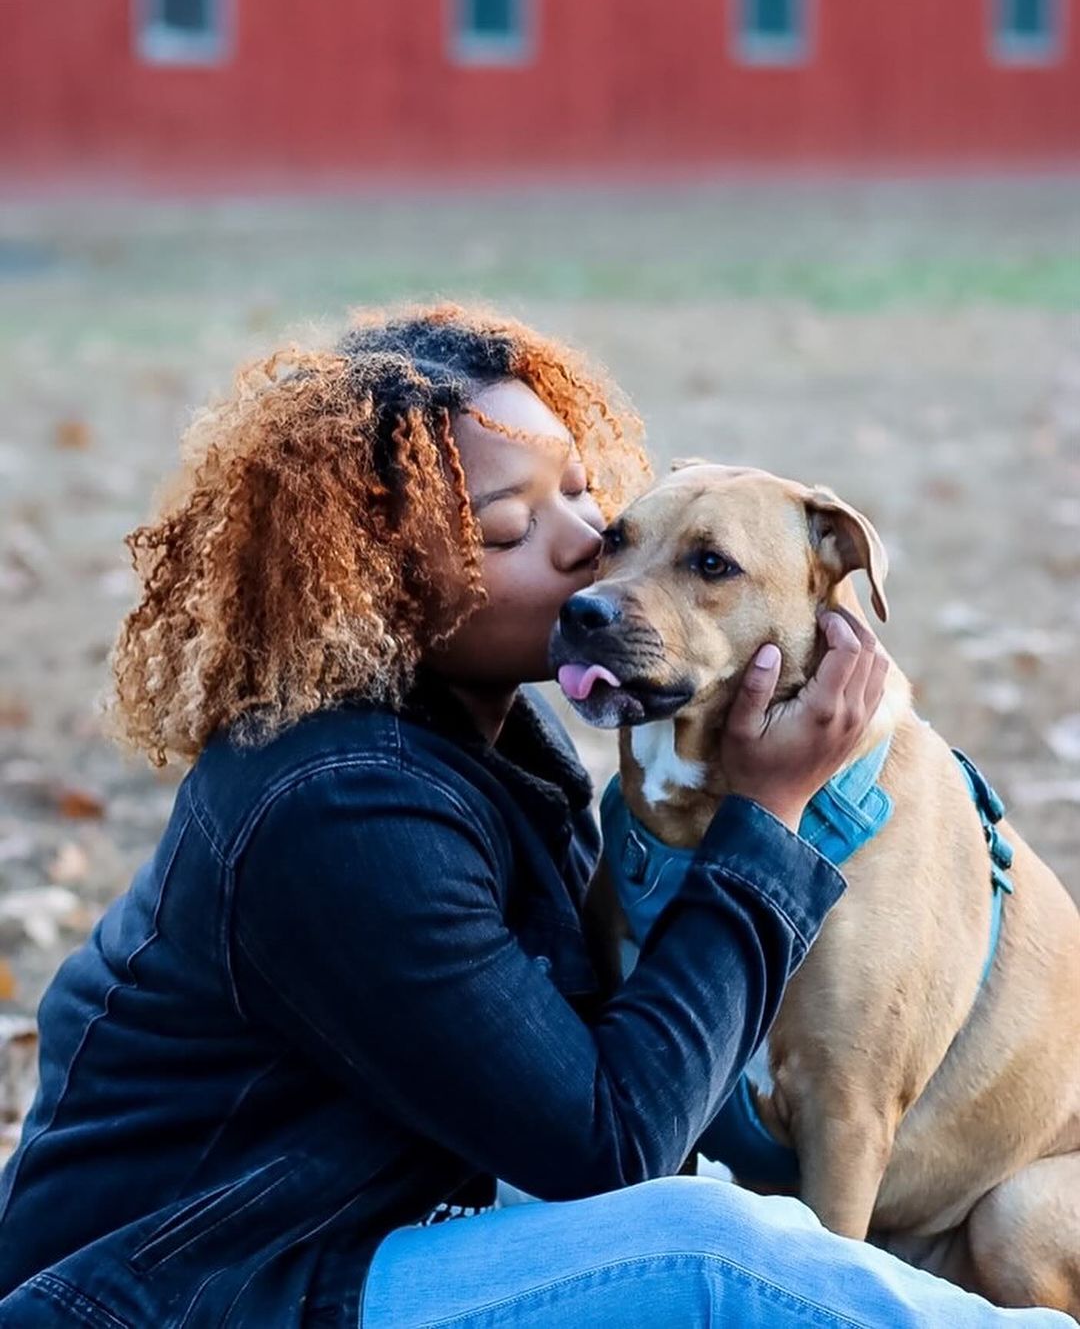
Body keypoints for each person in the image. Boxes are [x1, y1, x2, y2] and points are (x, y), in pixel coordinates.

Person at [0, 304, 1070, 1329]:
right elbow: (610, 1149)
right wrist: (772, 817)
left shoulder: (489, 745)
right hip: (191, 1292)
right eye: (513, 527)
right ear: (379, 580)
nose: (588, 553)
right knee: (704, 1251)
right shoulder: (338, 809)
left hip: (330, 1238)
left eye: (586, 501)